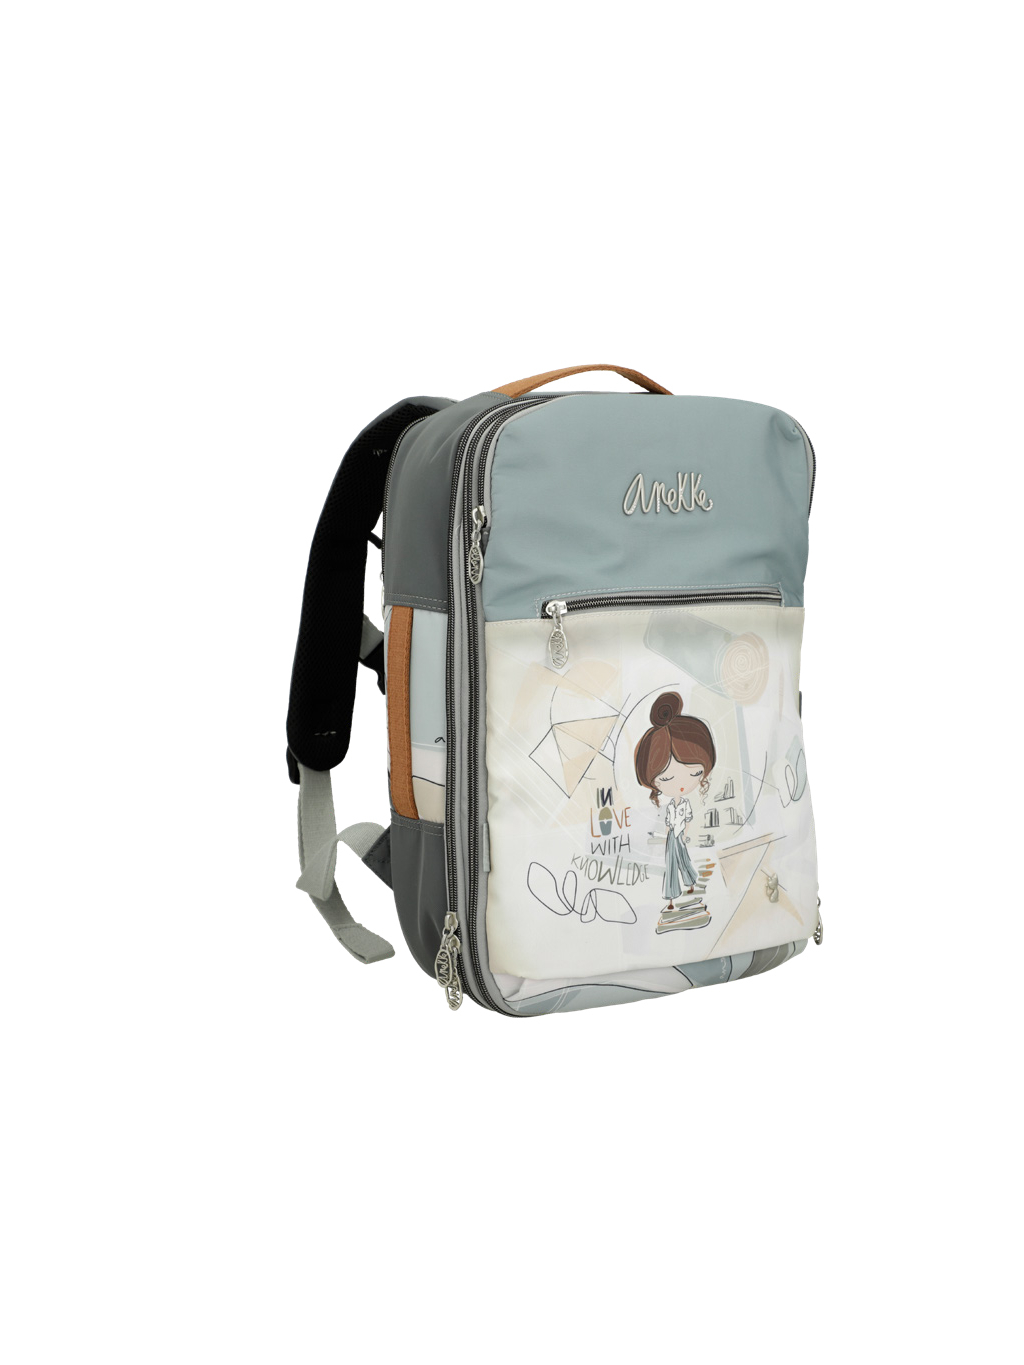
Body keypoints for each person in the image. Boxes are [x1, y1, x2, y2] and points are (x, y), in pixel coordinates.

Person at [633, 691, 716, 909]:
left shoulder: (685, 804)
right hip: (672, 837)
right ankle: (672, 895)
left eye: (695, 773)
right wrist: (671, 835)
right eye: (666, 778)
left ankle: (689, 881)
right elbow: (670, 824)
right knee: (671, 863)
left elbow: (686, 821)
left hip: (679, 836)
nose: (680, 784)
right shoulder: (672, 805)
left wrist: (684, 835)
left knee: (683, 860)